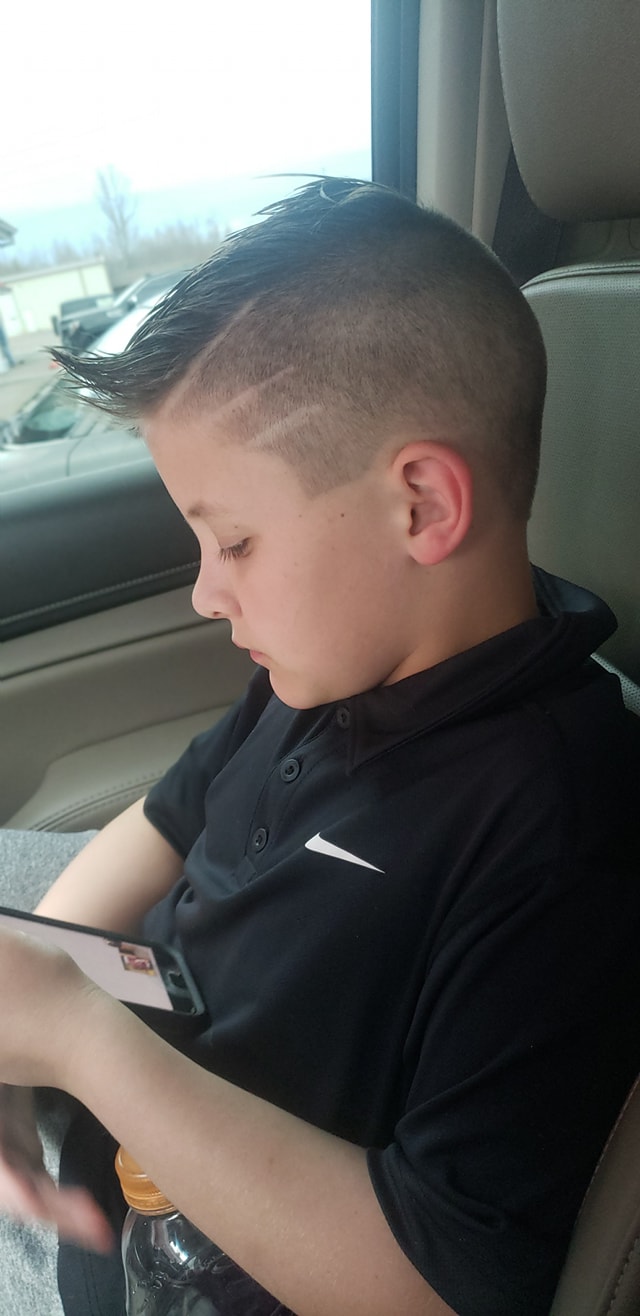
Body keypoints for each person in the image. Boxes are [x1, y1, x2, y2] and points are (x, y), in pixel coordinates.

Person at [0, 177, 639, 1316]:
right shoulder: (319, 674)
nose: (205, 593)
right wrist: (35, 990)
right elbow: (163, 819)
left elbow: (441, 1284)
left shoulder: (557, 827)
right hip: (121, 1183)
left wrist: (80, 1039)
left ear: (421, 506)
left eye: (235, 542)